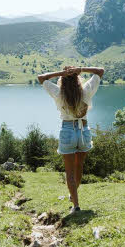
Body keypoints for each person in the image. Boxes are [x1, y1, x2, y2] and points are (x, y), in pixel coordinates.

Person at [38, 65, 104, 213]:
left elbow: (41, 78)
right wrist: (81, 69)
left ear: (63, 79)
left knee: (69, 172)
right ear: (77, 78)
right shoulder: (86, 90)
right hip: (83, 131)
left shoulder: (58, 93)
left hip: (68, 130)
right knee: (79, 165)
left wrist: (61, 73)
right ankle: (73, 196)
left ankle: (76, 205)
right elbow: (100, 71)